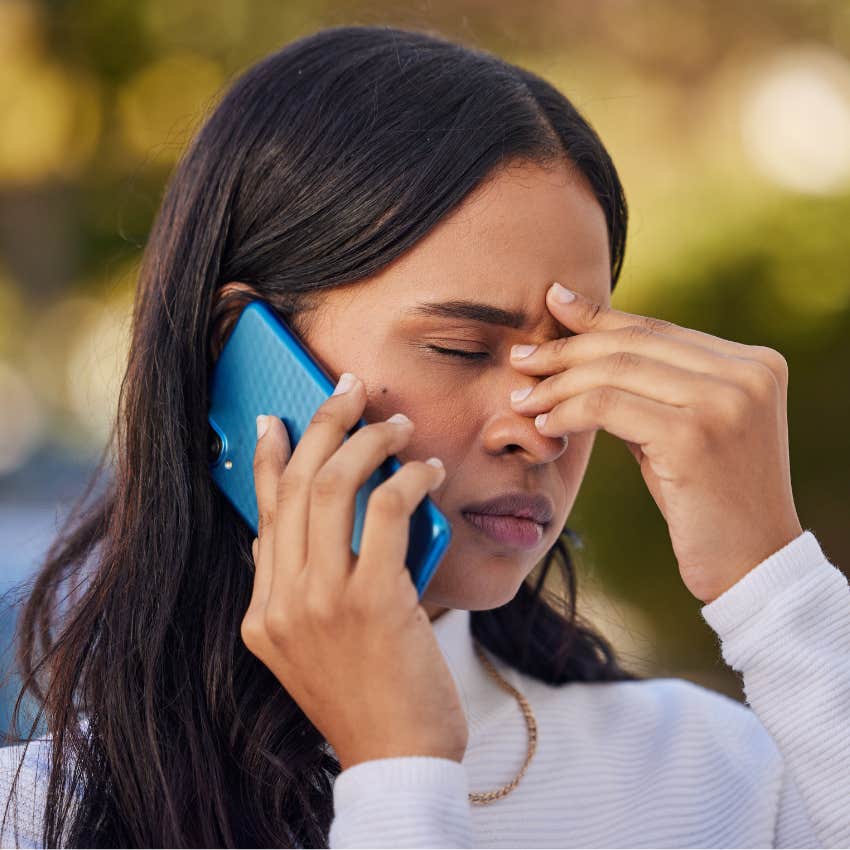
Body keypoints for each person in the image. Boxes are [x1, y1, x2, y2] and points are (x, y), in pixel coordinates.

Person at [1, 23, 848, 849]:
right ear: (242, 358)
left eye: (576, 361)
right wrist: (399, 770)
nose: (542, 429)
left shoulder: (721, 771)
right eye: (461, 348)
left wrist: (775, 587)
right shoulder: (37, 813)